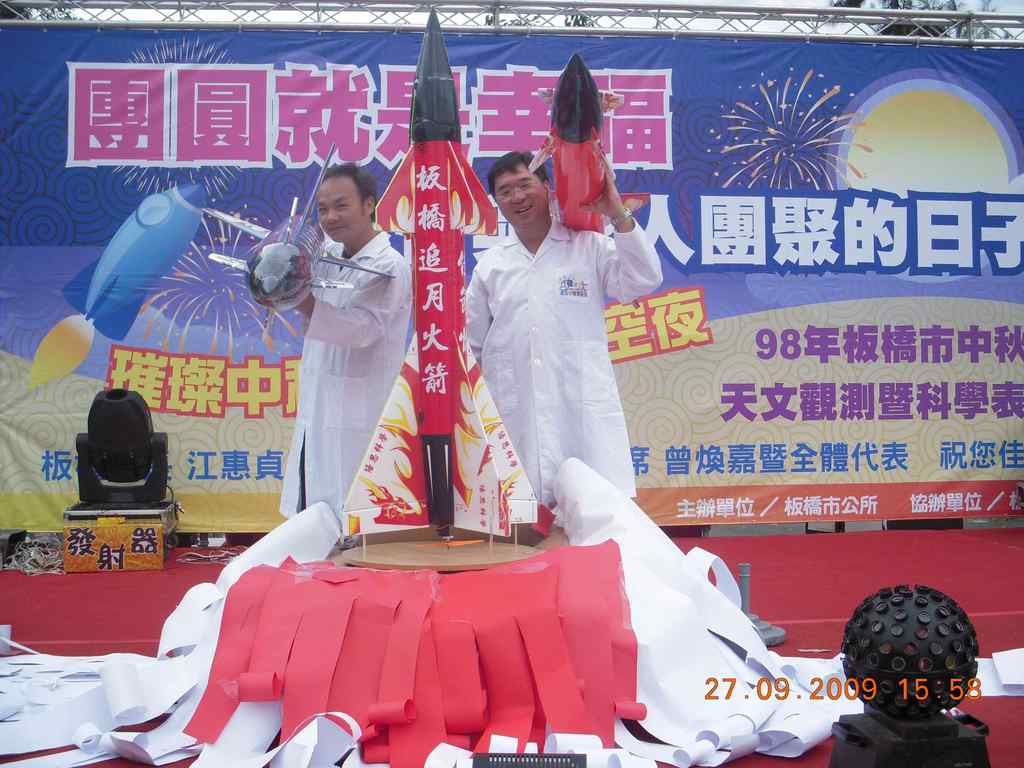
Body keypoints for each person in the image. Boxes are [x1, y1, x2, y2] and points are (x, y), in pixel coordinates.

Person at [467, 150, 663, 538]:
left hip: (581, 415)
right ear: (497, 203)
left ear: (547, 187)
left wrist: (617, 213)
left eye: (525, 184)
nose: (517, 197)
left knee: (597, 528)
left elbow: (643, 279)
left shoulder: (588, 247)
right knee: (520, 534)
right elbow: (470, 347)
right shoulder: (491, 266)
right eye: (505, 191)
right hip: (515, 418)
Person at [279, 163, 412, 519]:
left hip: (361, 413)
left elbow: (364, 329)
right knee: (313, 511)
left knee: (357, 512)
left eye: (341, 205)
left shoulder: (389, 265)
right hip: (319, 408)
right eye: (323, 209)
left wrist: (300, 299)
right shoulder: (326, 257)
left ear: (369, 204)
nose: (331, 217)